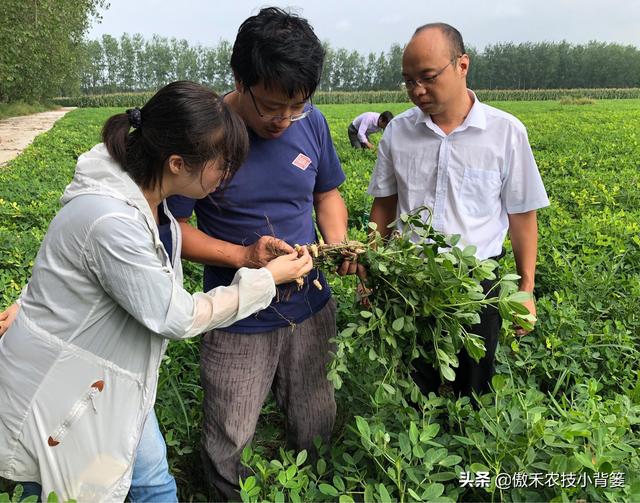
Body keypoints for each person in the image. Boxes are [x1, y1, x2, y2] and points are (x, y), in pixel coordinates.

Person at [0, 81, 313, 502]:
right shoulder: (112, 220)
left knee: (153, 484)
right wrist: (266, 280)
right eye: (222, 166)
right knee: (71, 490)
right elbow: (177, 316)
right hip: (67, 393)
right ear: (178, 163)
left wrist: (249, 258)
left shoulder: (147, 197)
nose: (226, 177)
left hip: (114, 378)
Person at [166, 7, 355, 500]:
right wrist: (244, 256)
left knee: (315, 416)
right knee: (230, 430)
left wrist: (336, 243)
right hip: (238, 313)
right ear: (240, 79)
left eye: (297, 105)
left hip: (309, 304)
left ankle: (315, 489)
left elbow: (327, 193)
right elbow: (175, 228)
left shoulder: (310, 123)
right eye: (273, 106)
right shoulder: (207, 134)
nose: (284, 119)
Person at [367, 23, 549, 398]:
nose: (417, 90)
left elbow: (521, 216)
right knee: (414, 387)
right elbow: (384, 205)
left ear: (462, 65)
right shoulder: (398, 132)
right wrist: (370, 270)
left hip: (477, 284)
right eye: (408, 80)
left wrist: (526, 289)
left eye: (428, 77)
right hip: (409, 282)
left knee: (474, 387)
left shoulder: (506, 133)